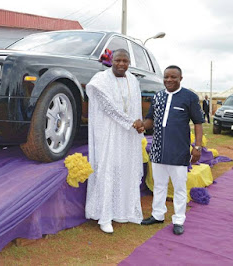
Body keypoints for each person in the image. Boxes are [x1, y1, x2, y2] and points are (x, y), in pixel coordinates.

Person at [134, 65, 204, 235]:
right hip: (158, 150)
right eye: (166, 77)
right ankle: (157, 215)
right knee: (159, 185)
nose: (169, 80)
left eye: (173, 77)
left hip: (179, 151)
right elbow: (151, 119)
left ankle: (178, 220)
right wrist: (142, 125)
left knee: (179, 188)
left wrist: (197, 146)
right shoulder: (158, 96)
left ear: (181, 78)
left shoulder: (189, 97)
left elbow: (198, 123)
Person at [85, 49, 144, 233]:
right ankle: (105, 216)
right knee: (107, 169)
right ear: (111, 60)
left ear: (129, 63)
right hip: (109, 133)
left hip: (127, 135)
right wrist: (130, 123)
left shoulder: (133, 80)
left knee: (126, 169)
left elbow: (136, 107)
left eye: (125, 61)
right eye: (118, 60)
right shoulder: (100, 79)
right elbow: (107, 107)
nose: (121, 64)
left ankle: (125, 211)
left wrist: (139, 126)